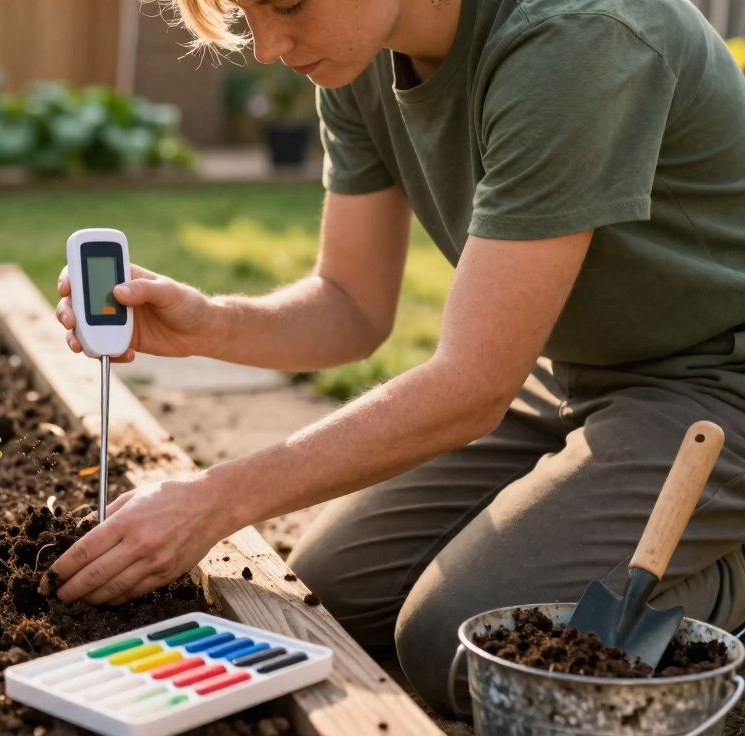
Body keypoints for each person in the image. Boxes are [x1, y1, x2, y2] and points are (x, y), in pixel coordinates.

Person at [43, 0, 745, 714]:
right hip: (568, 372)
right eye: (242, 11)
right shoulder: (358, 53)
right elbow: (350, 303)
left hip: (718, 383)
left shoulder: (574, 38)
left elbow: (472, 388)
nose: (266, 47)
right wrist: (209, 326)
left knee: (466, 646)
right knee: (333, 592)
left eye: (286, 4)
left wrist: (214, 499)